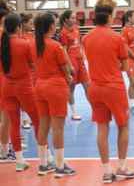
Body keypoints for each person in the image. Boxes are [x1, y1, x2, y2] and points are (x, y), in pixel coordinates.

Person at [83, 0, 134, 184]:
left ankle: (106, 171)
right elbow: (124, 64)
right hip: (114, 88)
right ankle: (121, 167)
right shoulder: (116, 37)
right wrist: (116, 65)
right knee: (124, 125)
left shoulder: (86, 38)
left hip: (95, 88)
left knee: (102, 128)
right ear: (108, 17)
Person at [0, 13, 52, 171]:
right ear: (18, 28)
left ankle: (19, 161)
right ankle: (47, 157)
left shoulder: (2, 44)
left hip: (6, 86)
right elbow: (32, 65)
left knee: (13, 124)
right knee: (38, 122)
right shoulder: (24, 44)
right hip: (24, 87)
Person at [33, 13, 76, 177]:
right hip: (56, 87)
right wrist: (68, 77)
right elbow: (65, 67)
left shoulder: (34, 45)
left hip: (40, 86)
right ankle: (59, 166)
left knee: (43, 126)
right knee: (58, 128)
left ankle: (43, 164)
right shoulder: (56, 45)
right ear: (52, 26)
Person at [59, 10, 89, 120]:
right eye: (72, 18)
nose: (75, 19)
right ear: (66, 20)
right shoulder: (63, 32)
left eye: (75, 17)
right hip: (71, 60)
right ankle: (74, 112)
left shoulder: (76, 28)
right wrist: (69, 65)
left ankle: (96, 109)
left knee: (87, 85)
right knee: (72, 87)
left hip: (80, 59)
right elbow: (64, 50)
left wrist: (83, 53)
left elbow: (81, 41)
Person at [0, 9, 16, 163]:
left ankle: (6, 148)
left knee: (6, 118)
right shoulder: (3, 36)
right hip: (4, 79)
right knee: (6, 118)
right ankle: (4, 153)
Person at [19, 13, 36, 129]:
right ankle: (24, 120)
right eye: (30, 23)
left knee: (35, 95)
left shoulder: (32, 36)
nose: (32, 25)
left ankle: (34, 117)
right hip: (24, 70)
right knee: (24, 97)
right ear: (23, 24)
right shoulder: (18, 37)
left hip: (35, 70)